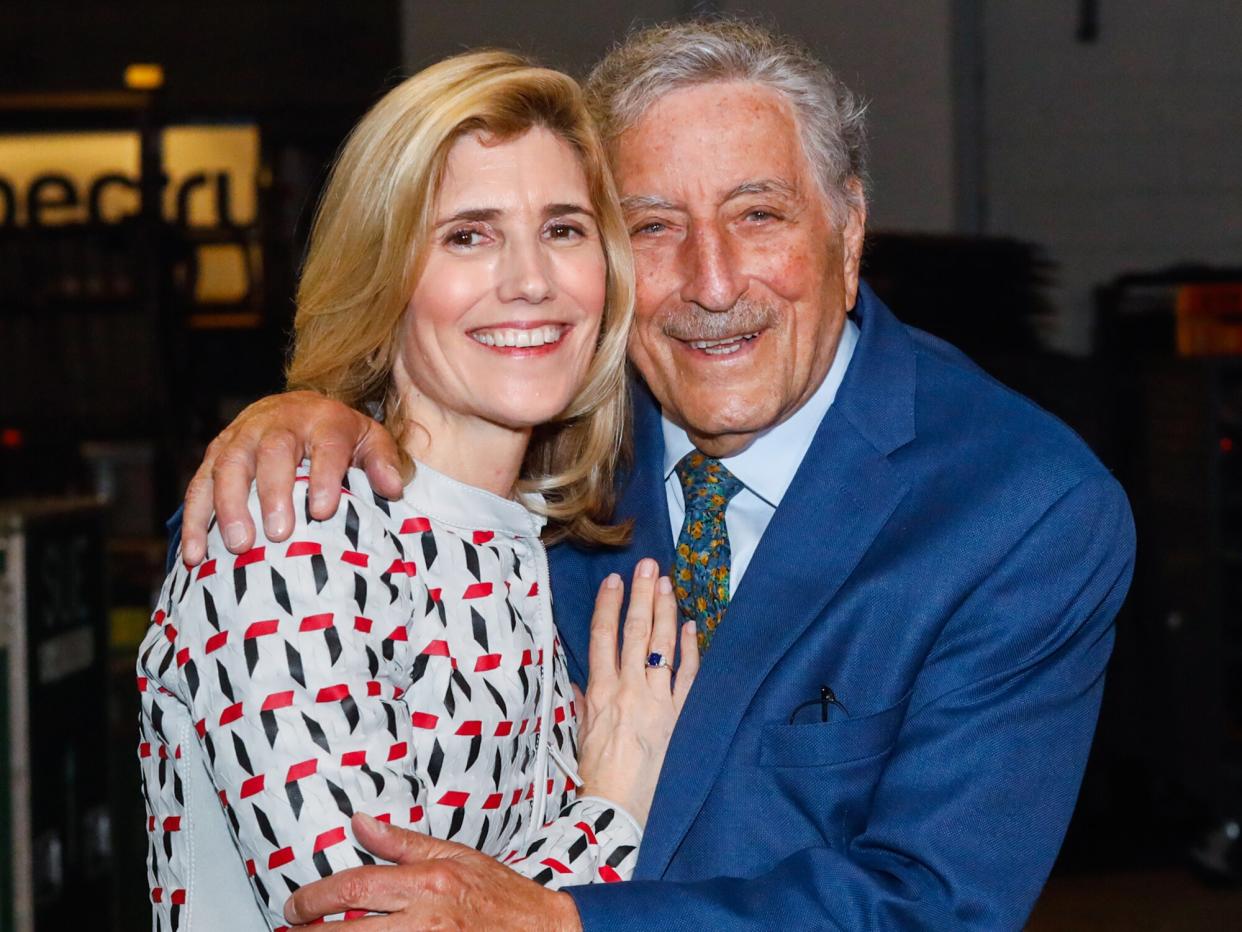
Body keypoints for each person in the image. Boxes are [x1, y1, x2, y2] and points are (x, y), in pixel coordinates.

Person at [176, 19, 1137, 931]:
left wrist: (561, 917)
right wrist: (312, 410)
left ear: (848, 239)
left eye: (758, 215)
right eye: (652, 226)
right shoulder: (547, 439)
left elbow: (933, 906)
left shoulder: (1021, 508)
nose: (712, 284)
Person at [138, 51, 700, 931]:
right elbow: (376, 921)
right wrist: (617, 808)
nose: (531, 281)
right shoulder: (295, 534)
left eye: (563, 229)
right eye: (467, 235)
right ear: (384, 273)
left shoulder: (516, 549)